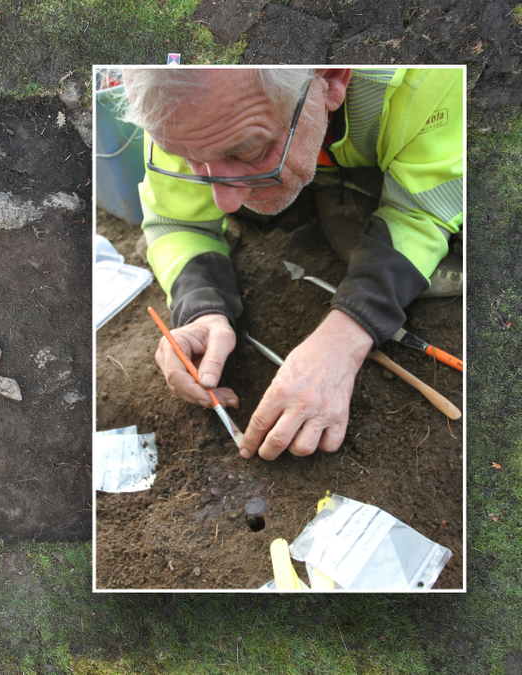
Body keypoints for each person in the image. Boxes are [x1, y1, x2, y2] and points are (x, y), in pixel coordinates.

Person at [117, 67, 463, 461]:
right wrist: (202, 308)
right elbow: (176, 221)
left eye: (246, 150)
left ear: (332, 79)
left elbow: (423, 212)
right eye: (188, 160)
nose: (225, 204)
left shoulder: (430, 78)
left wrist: (347, 335)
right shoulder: (187, 102)